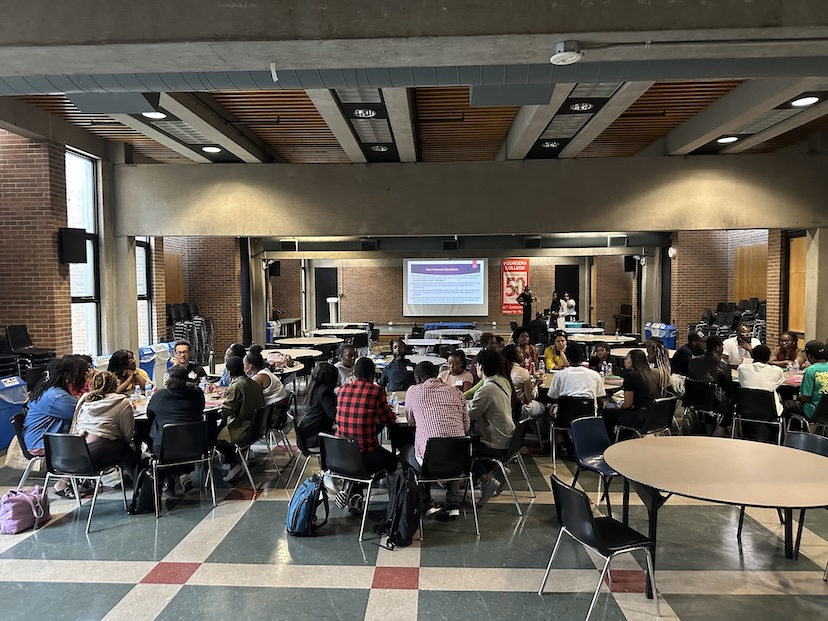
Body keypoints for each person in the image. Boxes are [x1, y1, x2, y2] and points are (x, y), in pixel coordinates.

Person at [403, 360, 470, 517]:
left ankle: (426, 502)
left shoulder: (413, 391)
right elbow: (466, 427)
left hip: (429, 461)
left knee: (407, 453)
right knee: (452, 445)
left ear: (418, 378)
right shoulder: (456, 393)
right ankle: (453, 502)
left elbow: (410, 421)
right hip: (459, 461)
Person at [336, 357, 398, 509]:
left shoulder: (343, 389)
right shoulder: (376, 391)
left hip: (341, 454)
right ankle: (393, 505)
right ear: (372, 375)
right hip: (366, 455)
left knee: (358, 453)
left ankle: (354, 488)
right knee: (392, 462)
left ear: (355, 373)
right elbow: (388, 421)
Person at [467, 349, 516, 506]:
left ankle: (486, 481)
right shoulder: (502, 382)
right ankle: (499, 469)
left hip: (496, 443)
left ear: (480, 366)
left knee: (461, 448)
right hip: (510, 438)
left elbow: (468, 416)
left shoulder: (486, 390)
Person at [70, 371, 138, 483]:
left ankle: (134, 481)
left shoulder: (84, 400)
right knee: (124, 448)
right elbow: (128, 434)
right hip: (95, 454)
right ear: (115, 385)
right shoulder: (121, 401)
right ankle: (141, 485)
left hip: (74, 452)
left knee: (121, 448)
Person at [22, 356, 86, 453]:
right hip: (41, 444)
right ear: (67, 375)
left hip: (38, 440)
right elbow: (84, 412)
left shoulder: (48, 390)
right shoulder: (56, 397)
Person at [217, 356, 265, 482]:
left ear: (228, 372)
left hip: (242, 427)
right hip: (256, 427)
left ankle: (233, 462)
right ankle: (237, 459)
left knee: (213, 436)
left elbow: (227, 410)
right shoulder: (255, 384)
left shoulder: (236, 386)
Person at [146, 364, 206, 456]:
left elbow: (149, 414)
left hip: (163, 448)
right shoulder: (197, 393)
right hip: (194, 445)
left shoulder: (159, 395)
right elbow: (200, 410)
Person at [602, 349, 661, 439]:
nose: (624, 361)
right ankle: (625, 438)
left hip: (639, 418)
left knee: (607, 411)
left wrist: (620, 407)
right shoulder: (651, 374)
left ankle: (611, 441)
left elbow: (628, 404)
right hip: (654, 416)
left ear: (634, 361)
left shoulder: (631, 376)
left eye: (627, 358)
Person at [687, 335, 735, 430]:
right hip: (713, 402)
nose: (722, 349)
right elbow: (728, 387)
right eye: (722, 346)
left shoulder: (693, 361)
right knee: (734, 399)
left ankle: (704, 421)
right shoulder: (723, 365)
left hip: (691, 398)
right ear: (717, 348)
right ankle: (722, 428)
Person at [737, 344, 784, 441]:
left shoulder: (742, 368)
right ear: (768, 357)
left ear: (752, 356)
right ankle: (776, 439)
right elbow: (778, 384)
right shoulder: (777, 371)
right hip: (770, 411)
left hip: (746, 409)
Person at [297, 362, 338, 449]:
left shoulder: (314, 388)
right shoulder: (325, 392)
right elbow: (334, 415)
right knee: (347, 440)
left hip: (306, 435)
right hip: (315, 437)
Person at [787, 340, 828, 424]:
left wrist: (798, 396)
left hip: (814, 412)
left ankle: (793, 432)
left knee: (787, 404)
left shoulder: (810, 370)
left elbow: (806, 397)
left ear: (810, 356)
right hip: (825, 411)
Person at [503, 344, 545, 418]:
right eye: (520, 353)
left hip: (505, 407)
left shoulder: (503, 371)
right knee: (543, 407)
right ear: (514, 357)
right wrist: (537, 385)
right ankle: (541, 429)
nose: (523, 354)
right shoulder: (522, 372)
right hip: (520, 408)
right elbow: (529, 398)